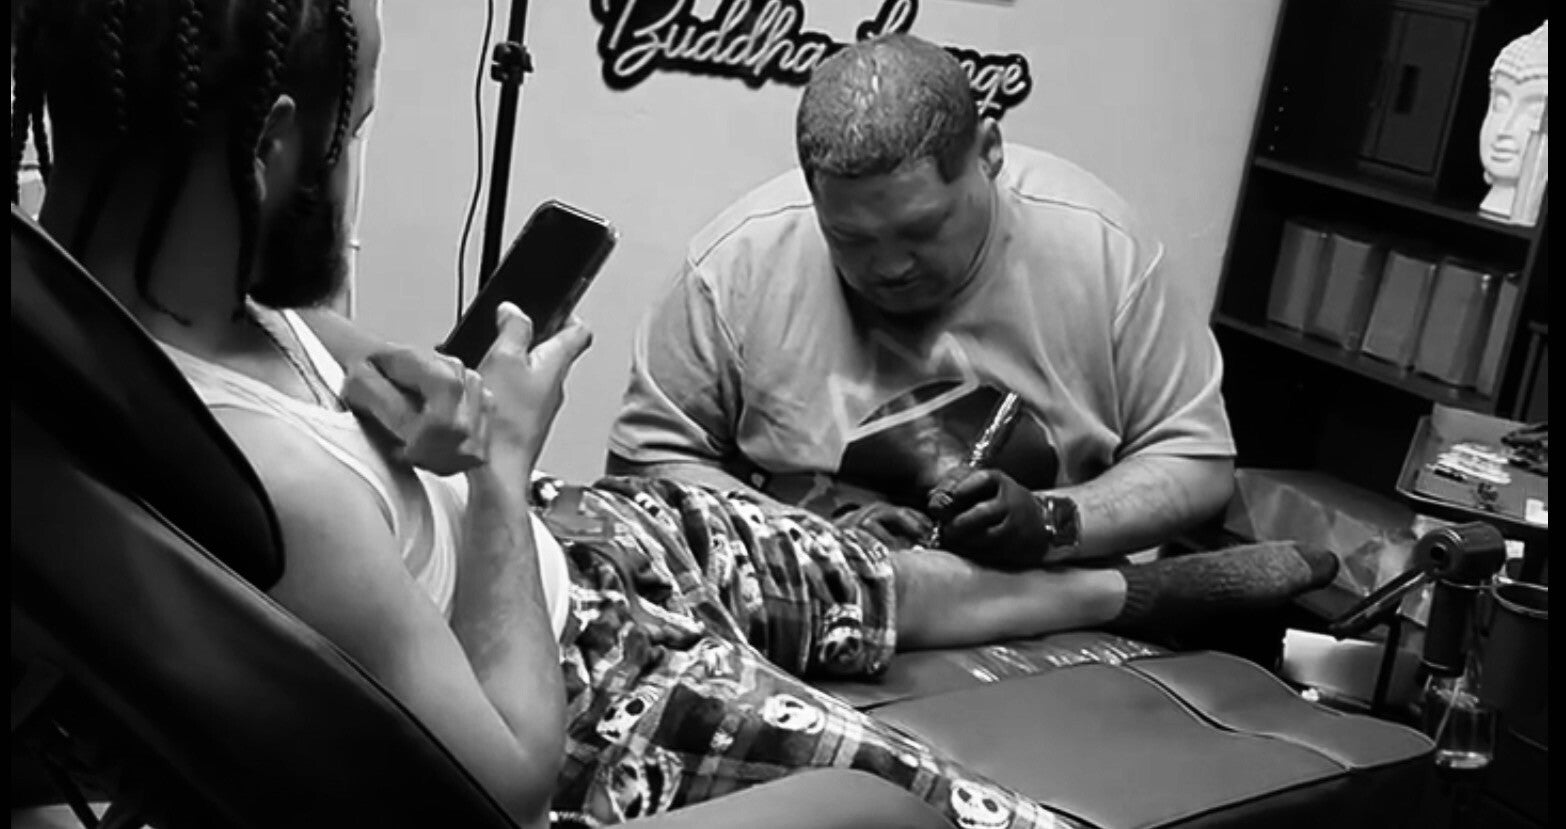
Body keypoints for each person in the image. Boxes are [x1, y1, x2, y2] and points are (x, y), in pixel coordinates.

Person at [10, 4, 1336, 827]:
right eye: (355, 132)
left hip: (583, 538)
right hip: (587, 678)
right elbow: (505, 778)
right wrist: (501, 467)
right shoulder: (276, 486)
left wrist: (422, 396)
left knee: (855, 565)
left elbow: (345, 367)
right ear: (277, 143)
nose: (352, 162)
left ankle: (1132, 593)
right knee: (960, 810)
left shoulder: (133, 297)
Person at [609, 34, 1237, 571]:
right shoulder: (737, 266)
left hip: (1042, 603)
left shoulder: (1102, 251)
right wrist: (813, 538)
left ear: (989, 153)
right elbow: (645, 461)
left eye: (923, 229)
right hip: (805, 595)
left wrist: (1054, 520)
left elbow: (1196, 461)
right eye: (849, 238)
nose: (889, 268)